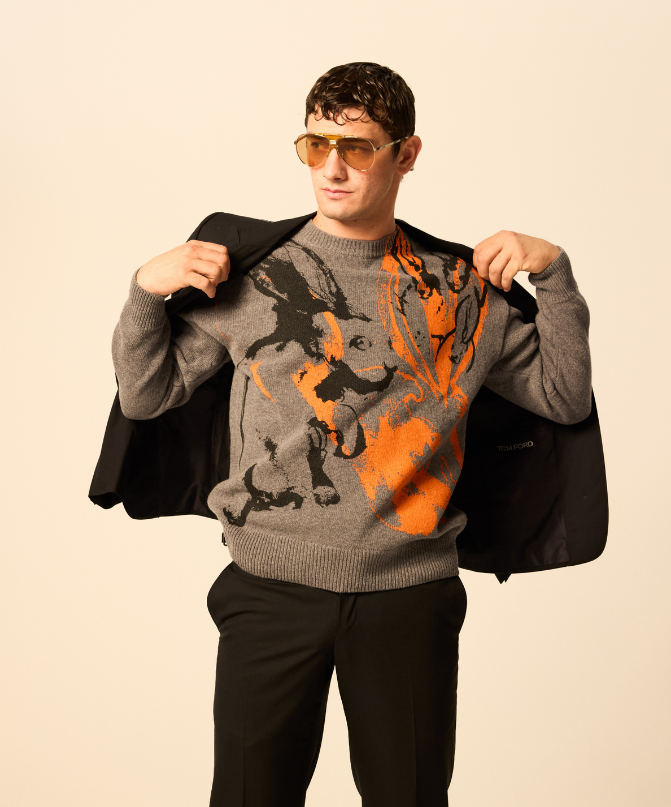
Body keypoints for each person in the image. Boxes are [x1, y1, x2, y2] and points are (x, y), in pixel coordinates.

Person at [110, 62, 592, 806]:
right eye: (316, 145)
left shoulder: (461, 291)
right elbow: (147, 397)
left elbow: (563, 397)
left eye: (358, 148)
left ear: (407, 154)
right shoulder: (254, 276)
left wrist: (554, 274)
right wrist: (145, 291)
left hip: (408, 593)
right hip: (268, 588)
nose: (332, 168)